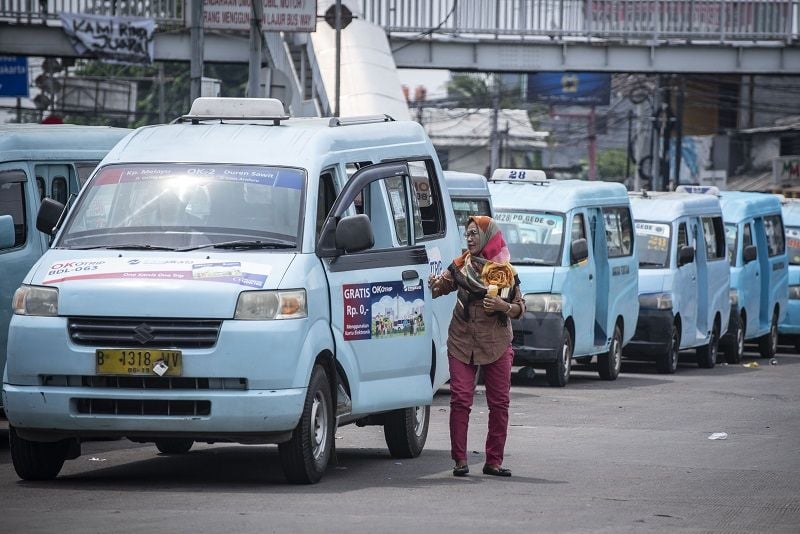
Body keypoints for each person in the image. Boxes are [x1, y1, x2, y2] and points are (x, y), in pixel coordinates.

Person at [429, 215, 525, 477]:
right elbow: (442, 286)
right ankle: (460, 460)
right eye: (467, 234)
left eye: (474, 234)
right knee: (460, 399)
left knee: (499, 403)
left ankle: (493, 461)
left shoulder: (505, 271)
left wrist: (503, 306)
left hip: (496, 342)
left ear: (487, 237)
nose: (470, 238)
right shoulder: (461, 266)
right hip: (462, 340)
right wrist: (434, 285)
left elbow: (520, 308)